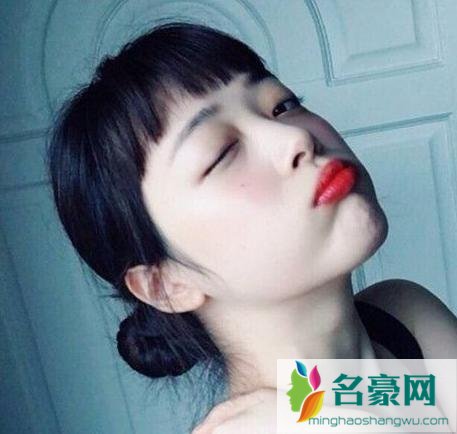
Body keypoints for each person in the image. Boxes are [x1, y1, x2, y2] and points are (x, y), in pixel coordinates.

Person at [47, 21, 457, 433]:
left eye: (282, 105)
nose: (294, 137)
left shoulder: (406, 317)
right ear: (165, 284)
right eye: (222, 152)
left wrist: (326, 417)